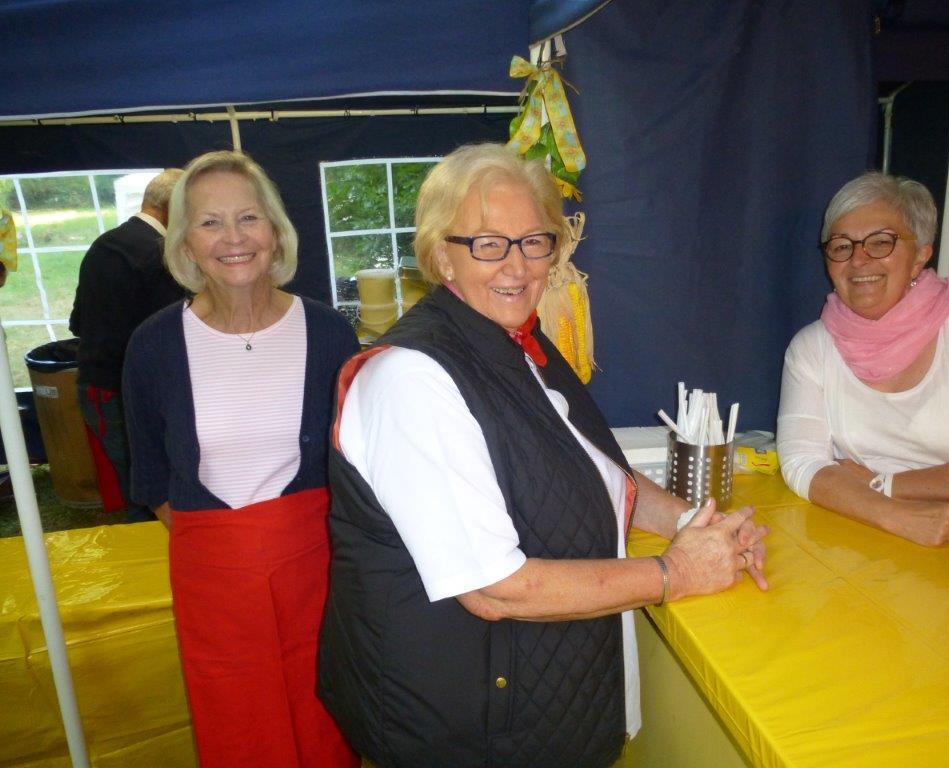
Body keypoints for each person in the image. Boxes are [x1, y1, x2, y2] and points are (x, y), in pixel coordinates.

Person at [317, 143, 770, 768]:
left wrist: (697, 524)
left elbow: (594, 468)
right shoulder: (411, 380)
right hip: (464, 731)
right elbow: (495, 589)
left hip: (535, 705)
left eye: (534, 241)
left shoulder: (516, 339)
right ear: (442, 256)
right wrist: (677, 573)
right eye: (488, 243)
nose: (518, 264)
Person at [122, 151, 360, 767]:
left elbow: (354, 466)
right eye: (210, 222)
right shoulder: (153, 345)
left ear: (275, 231)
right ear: (185, 244)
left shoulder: (330, 334)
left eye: (248, 217)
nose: (233, 238)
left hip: (316, 575)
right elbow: (151, 476)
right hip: (212, 584)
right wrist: (227, 550)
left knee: (323, 719)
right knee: (237, 727)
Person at [777, 171, 949, 567]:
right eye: (841, 246)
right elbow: (802, 463)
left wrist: (884, 484)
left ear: (921, 254)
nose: (858, 259)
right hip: (858, 534)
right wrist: (897, 515)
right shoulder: (811, 347)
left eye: (881, 242)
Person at [70, 168, 187, 521]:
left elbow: (77, 322)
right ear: (172, 209)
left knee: (134, 480)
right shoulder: (159, 256)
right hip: (125, 389)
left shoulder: (105, 243)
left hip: (96, 383)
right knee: (150, 488)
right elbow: (173, 337)